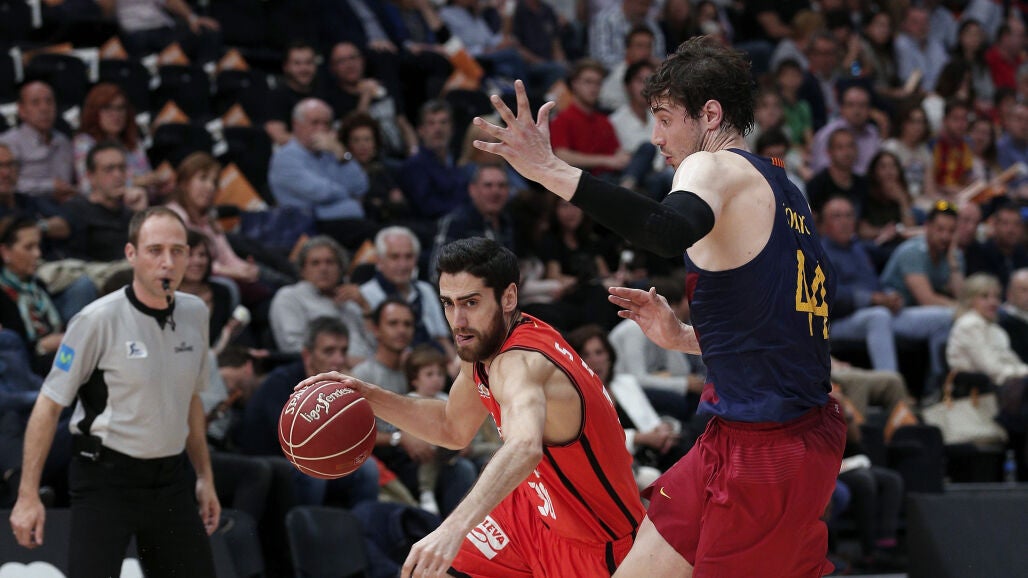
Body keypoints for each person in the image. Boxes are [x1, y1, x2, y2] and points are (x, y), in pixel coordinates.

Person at [472, 36, 846, 576]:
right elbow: (784, 332)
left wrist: (547, 168)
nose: (656, 137)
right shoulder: (788, 192)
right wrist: (684, 339)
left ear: (709, 115)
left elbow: (665, 231)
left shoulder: (711, 167)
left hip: (766, 450)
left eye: (666, 119)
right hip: (754, 435)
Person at [301, 237, 645, 577]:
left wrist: (452, 528)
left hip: (595, 542)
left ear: (508, 297)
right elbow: (451, 427)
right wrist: (369, 396)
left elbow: (525, 447)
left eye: (470, 302)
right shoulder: (483, 343)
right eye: (448, 303)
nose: (458, 320)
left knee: (437, 551)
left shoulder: (521, 363)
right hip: (531, 511)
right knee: (425, 571)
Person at [8, 206, 220, 577]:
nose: (167, 262)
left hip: (170, 480)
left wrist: (205, 477)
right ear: (131, 254)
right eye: (155, 250)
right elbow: (48, 405)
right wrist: (27, 495)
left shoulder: (195, 313)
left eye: (177, 251)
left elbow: (191, 399)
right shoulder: (96, 320)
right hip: (105, 478)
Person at [0, 81, 76, 203]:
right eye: (35, 103)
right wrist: (50, 187)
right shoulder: (7, 143)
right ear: (21, 110)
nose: (44, 108)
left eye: (49, 102)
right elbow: (6, 184)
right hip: (24, 207)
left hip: (65, 206)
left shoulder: (63, 142)